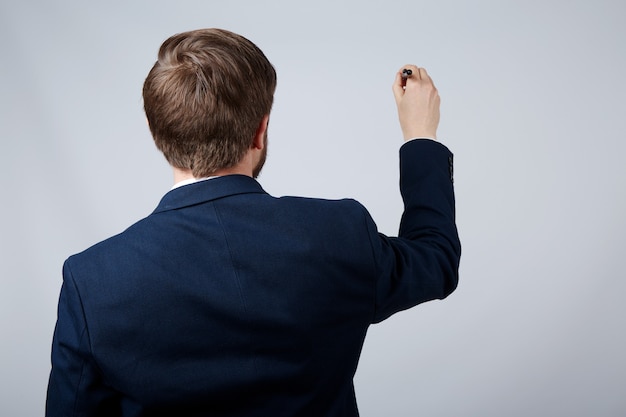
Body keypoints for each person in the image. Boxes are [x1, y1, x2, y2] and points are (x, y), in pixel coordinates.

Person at [46, 28, 461, 416]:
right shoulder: (340, 233)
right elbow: (435, 259)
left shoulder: (92, 281)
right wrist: (420, 135)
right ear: (260, 131)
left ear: (159, 132)